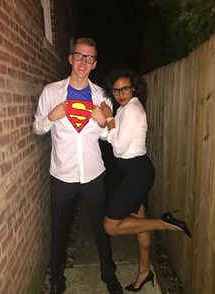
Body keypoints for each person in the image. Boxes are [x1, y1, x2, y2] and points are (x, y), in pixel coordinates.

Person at [33, 38, 123, 294]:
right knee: (59, 232)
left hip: (94, 175)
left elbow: (108, 137)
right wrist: (51, 117)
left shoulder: (102, 96)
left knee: (101, 228)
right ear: (70, 58)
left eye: (89, 58)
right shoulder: (51, 92)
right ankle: (57, 282)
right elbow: (37, 127)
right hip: (62, 176)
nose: (84, 61)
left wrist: (103, 122)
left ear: (94, 64)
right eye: (79, 56)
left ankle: (109, 274)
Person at [92, 69, 191, 292]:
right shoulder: (124, 109)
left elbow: (117, 147)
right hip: (132, 171)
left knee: (110, 225)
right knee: (139, 221)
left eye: (125, 89)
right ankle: (144, 273)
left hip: (136, 173)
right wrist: (104, 122)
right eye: (116, 90)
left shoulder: (133, 109)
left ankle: (166, 223)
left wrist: (108, 118)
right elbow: (108, 136)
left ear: (134, 88)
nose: (120, 94)